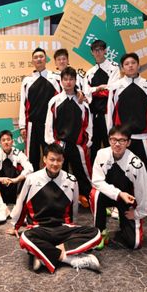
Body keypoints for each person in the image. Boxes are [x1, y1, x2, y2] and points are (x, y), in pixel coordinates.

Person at [9, 143, 102, 273]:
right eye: (52, 159)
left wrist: (72, 230)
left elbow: (74, 207)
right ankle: (69, 259)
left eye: (59, 160)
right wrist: (16, 226)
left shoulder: (71, 180)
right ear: (44, 159)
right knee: (25, 237)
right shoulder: (31, 179)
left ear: (63, 160)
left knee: (96, 233)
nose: (55, 163)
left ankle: (44, 254)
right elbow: (21, 203)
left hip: (62, 228)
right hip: (39, 228)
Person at [107, 52, 147, 224]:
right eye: (126, 64)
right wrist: (112, 137)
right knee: (119, 173)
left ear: (138, 65)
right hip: (121, 140)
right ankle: (118, 206)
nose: (130, 66)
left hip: (143, 137)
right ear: (122, 68)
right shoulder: (116, 87)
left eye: (133, 63)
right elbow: (110, 112)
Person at [90, 126, 147, 250]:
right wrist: (118, 194)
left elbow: (144, 191)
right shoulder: (101, 154)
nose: (117, 144)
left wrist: (138, 213)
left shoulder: (136, 164)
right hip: (110, 195)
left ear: (128, 143)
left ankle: (123, 220)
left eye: (122, 140)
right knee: (95, 194)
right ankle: (100, 231)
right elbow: (97, 181)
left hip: (127, 200)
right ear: (109, 140)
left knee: (134, 244)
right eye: (114, 140)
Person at [44, 66, 93, 207]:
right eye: (65, 79)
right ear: (61, 81)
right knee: (59, 174)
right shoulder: (55, 101)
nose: (68, 82)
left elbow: (88, 124)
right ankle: (59, 202)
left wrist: (87, 143)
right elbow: (49, 124)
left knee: (83, 175)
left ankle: (91, 201)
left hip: (78, 146)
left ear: (75, 81)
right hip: (60, 145)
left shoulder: (82, 102)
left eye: (71, 79)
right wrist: (52, 144)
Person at [19, 47, 60, 170]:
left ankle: (52, 180)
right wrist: (22, 126)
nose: (39, 59)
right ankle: (33, 180)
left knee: (52, 156)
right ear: (32, 61)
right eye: (36, 57)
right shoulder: (27, 81)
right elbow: (23, 103)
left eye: (41, 56)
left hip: (50, 125)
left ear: (45, 59)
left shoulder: (55, 78)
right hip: (32, 125)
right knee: (32, 157)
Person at [0, 130, 34, 224]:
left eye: (8, 139)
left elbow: (30, 168)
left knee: (27, 175)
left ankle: (18, 208)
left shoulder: (18, 153)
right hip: (0, 190)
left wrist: (16, 180)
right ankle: (2, 207)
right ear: (0, 143)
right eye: (3, 140)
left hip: (15, 190)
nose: (6, 142)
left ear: (12, 141)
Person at [84, 40, 120, 165]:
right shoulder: (90, 72)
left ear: (105, 51)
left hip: (108, 115)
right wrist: (98, 89)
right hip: (93, 116)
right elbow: (86, 93)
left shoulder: (113, 69)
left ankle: (111, 173)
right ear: (92, 52)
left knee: (110, 147)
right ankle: (95, 175)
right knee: (93, 148)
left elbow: (111, 90)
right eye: (95, 50)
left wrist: (94, 91)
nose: (98, 52)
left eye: (100, 49)